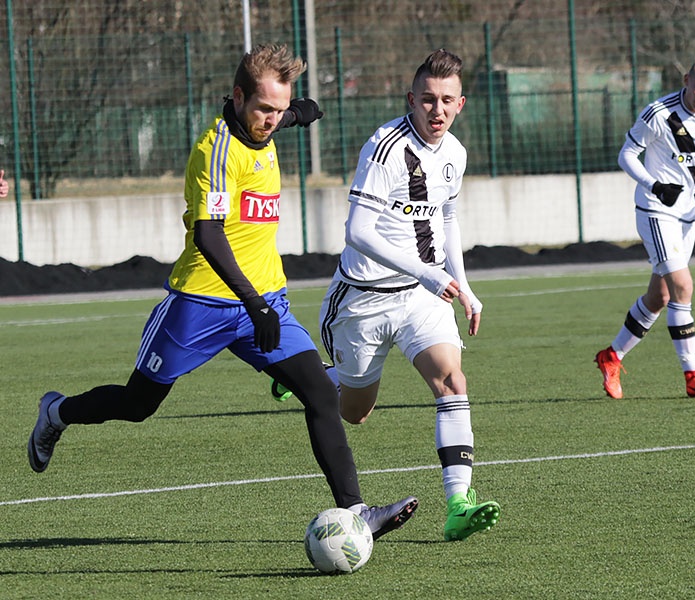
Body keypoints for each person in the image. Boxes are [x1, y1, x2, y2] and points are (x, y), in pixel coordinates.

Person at [27, 43, 417, 540]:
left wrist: (299, 112)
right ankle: (56, 412)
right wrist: (252, 304)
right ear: (237, 98)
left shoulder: (266, 123)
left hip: (264, 303)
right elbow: (208, 235)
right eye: (264, 109)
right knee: (138, 404)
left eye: (280, 110)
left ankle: (358, 511)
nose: (272, 120)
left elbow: (281, 114)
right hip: (200, 303)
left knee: (320, 393)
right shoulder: (214, 152)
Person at [304, 49, 498, 542]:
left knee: (452, 380)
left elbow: (447, 220)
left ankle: (458, 504)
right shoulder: (385, 148)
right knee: (355, 411)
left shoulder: (454, 152)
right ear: (411, 99)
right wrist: (430, 274)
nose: (437, 110)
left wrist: (465, 288)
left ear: (461, 105)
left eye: (447, 101)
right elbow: (358, 232)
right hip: (363, 300)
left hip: (419, 297)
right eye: (428, 99)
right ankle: (312, 375)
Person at [595, 50, 695, 399]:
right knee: (682, 287)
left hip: (689, 216)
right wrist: (655, 185)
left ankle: (612, 356)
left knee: (660, 296)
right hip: (656, 209)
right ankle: (692, 375)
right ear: (687, 80)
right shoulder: (659, 114)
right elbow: (626, 154)